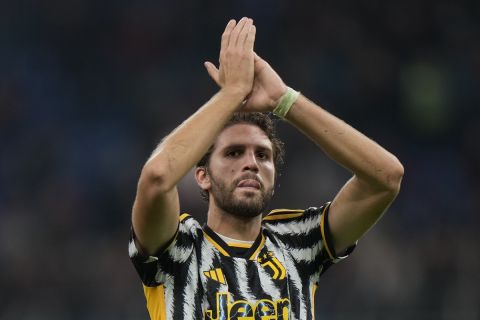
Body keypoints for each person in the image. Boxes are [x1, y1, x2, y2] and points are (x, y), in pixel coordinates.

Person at [128, 17, 404, 320]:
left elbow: (385, 177)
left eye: (263, 155)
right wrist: (230, 95)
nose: (251, 163)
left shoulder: (298, 244)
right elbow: (156, 178)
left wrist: (283, 100)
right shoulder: (177, 249)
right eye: (234, 153)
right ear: (202, 176)